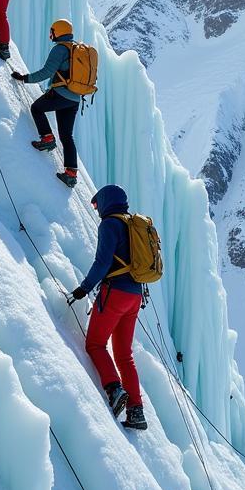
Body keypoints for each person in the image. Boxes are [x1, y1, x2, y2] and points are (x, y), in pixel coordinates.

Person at [68, 184, 148, 431]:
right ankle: (137, 412)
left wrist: (84, 287)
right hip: (135, 296)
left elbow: (102, 261)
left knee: (95, 344)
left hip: (115, 293)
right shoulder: (132, 224)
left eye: (96, 204)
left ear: (104, 202)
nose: (97, 209)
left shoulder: (110, 224)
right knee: (125, 355)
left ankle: (114, 389)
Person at [9, 19, 81, 186]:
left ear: (59, 32)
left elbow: (47, 72)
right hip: (75, 98)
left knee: (36, 108)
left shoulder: (60, 49)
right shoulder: (75, 48)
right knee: (67, 135)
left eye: (53, 32)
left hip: (61, 94)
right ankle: (71, 173)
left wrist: (25, 78)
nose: (51, 35)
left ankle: (47, 138)